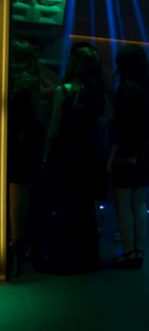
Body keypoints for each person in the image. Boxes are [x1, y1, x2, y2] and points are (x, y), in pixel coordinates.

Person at [33, 45, 107, 275]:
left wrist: (45, 156)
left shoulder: (63, 91)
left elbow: (54, 130)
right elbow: (102, 124)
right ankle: (86, 258)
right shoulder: (98, 94)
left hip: (64, 156)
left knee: (62, 207)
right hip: (89, 156)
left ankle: (62, 257)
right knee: (85, 207)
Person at [106, 45, 149, 269]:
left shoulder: (125, 89)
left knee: (123, 203)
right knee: (140, 202)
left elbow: (121, 127)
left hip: (127, 151)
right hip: (147, 151)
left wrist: (110, 157)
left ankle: (127, 252)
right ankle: (138, 252)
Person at [7, 40, 46, 277]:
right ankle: (17, 243)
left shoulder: (7, 79)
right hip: (25, 146)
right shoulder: (30, 82)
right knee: (20, 195)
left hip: (8, 142)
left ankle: (10, 242)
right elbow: (37, 117)